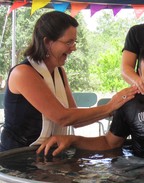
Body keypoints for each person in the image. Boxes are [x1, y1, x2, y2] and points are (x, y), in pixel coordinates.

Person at [0, 11, 137, 152]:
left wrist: (115, 109)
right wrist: (110, 106)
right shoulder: (22, 73)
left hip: (45, 154)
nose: (74, 48)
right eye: (69, 42)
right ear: (47, 42)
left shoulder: (59, 72)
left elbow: (75, 119)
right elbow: (62, 117)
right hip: (17, 156)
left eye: (74, 42)